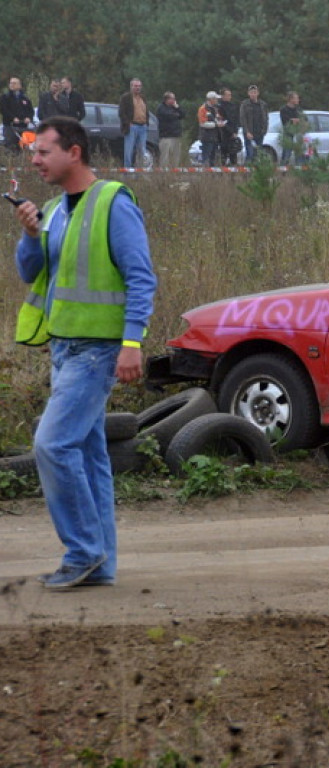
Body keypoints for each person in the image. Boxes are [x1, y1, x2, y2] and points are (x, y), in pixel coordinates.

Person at [11, 116, 157, 588]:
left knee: (52, 445)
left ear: (74, 152)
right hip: (64, 348)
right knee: (89, 456)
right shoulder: (53, 208)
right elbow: (31, 272)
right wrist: (30, 235)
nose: (35, 161)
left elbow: (141, 277)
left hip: (97, 351)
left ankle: (83, 552)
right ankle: (101, 565)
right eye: (33, 153)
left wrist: (132, 343)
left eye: (43, 152)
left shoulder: (113, 203)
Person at [117, 78, 148, 168]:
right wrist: (128, 123)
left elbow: (146, 111)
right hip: (132, 126)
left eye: (139, 86)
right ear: (131, 87)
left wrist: (147, 122)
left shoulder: (143, 98)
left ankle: (141, 171)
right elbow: (121, 112)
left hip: (143, 127)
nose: (137, 88)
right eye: (135, 86)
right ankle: (128, 172)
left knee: (142, 151)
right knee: (129, 151)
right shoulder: (126, 97)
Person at [1, 77, 35, 153]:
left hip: (23, 127)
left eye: (14, 83)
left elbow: (31, 111)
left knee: (24, 148)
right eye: (11, 83)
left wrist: (29, 118)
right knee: (11, 149)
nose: (12, 85)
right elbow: (4, 110)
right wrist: (13, 118)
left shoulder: (25, 98)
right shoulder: (5, 97)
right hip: (10, 127)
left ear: (20, 85)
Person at [239, 84, 269, 164]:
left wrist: (264, 130)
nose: (253, 94)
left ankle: (255, 173)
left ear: (258, 93)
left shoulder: (263, 105)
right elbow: (243, 119)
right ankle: (247, 172)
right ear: (248, 93)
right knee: (250, 154)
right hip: (249, 133)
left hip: (259, 132)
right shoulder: (245, 104)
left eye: (255, 92)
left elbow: (266, 118)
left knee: (257, 154)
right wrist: (247, 131)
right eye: (251, 92)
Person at [156, 91, 184, 169]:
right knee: (165, 157)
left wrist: (177, 107)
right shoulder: (161, 108)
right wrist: (176, 114)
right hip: (166, 136)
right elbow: (169, 116)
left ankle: (174, 172)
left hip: (176, 135)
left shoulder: (174, 107)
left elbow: (182, 114)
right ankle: (164, 174)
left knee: (175, 157)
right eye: (172, 98)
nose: (174, 100)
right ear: (167, 99)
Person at [197, 91, 224, 168]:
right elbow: (202, 123)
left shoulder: (215, 108)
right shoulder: (203, 109)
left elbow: (217, 118)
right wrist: (215, 125)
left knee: (214, 158)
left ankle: (213, 175)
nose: (217, 101)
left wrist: (220, 121)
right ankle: (206, 174)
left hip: (215, 137)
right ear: (211, 99)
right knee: (206, 157)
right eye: (215, 99)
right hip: (207, 137)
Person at [279, 91, 305, 166]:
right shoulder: (284, 109)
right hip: (288, 134)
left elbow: (304, 119)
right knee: (287, 153)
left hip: (298, 133)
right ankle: (283, 170)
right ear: (291, 99)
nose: (298, 100)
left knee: (299, 153)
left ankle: (299, 170)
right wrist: (292, 120)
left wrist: (299, 121)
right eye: (296, 98)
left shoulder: (299, 109)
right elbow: (285, 121)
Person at [218, 88, 240, 166]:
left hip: (233, 134)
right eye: (227, 95)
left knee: (233, 155)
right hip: (223, 134)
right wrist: (230, 131)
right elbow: (222, 121)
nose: (229, 96)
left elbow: (236, 120)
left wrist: (235, 132)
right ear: (223, 96)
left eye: (230, 95)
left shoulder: (233, 106)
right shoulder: (219, 107)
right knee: (223, 155)